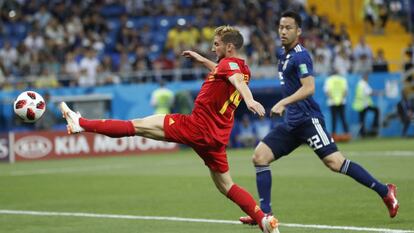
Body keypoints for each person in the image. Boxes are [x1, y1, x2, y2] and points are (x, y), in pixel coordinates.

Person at [60, 25, 279, 233]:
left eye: (216, 44)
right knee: (226, 186)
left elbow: (237, 81)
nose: (213, 48)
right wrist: (201, 59)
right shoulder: (240, 66)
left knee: (136, 126)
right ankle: (262, 219)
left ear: (229, 47)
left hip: (196, 127)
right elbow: (228, 73)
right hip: (216, 137)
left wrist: (249, 100)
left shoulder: (231, 67)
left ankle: (81, 124)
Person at [239, 11, 399, 226]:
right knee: (260, 157)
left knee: (335, 163)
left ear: (299, 31)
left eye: (288, 28)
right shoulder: (283, 56)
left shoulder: (300, 55)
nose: (283, 31)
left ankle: (385, 191)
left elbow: (309, 88)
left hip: (308, 120)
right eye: (281, 27)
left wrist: (283, 102)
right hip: (292, 123)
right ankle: (263, 215)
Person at [323, 70, 351, 141]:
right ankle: (347, 134)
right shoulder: (342, 79)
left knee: (334, 119)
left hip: (332, 102)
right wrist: (341, 99)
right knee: (343, 118)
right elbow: (345, 91)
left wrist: (333, 98)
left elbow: (327, 91)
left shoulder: (329, 80)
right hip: (342, 101)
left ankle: (334, 135)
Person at [352, 73, 380, 137]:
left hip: (360, 105)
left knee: (362, 119)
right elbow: (369, 92)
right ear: (365, 77)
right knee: (376, 110)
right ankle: (374, 126)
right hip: (364, 105)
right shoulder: (364, 84)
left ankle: (362, 133)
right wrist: (379, 93)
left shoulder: (359, 84)